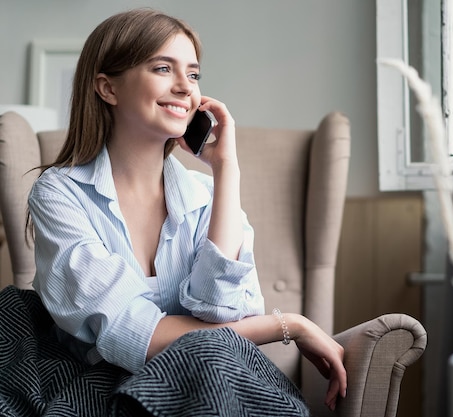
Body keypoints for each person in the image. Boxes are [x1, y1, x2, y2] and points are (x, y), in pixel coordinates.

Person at [26, 8, 346, 411]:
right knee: (208, 357)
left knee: (212, 359)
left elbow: (220, 311)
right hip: (106, 388)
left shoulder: (209, 194)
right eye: (163, 68)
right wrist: (291, 326)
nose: (185, 87)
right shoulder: (59, 194)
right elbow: (133, 335)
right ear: (108, 89)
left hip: (217, 375)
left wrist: (226, 168)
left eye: (193, 75)